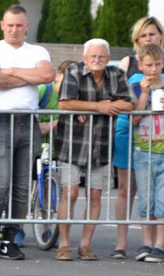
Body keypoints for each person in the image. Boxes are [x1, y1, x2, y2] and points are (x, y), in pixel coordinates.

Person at [0, 5, 55, 260]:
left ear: (27, 26)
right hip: (0, 121)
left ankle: (10, 238)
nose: (14, 29)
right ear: (2, 24)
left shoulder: (38, 50)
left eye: (19, 25)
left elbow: (47, 74)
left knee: (22, 186)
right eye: (10, 25)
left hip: (28, 121)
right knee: (0, 185)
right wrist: (29, 77)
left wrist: (9, 72)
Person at [53, 39, 133, 262]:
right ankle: (64, 244)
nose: (97, 60)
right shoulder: (73, 71)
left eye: (101, 56)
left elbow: (130, 103)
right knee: (70, 192)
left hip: (101, 143)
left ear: (108, 58)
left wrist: (92, 105)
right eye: (93, 56)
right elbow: (64, 103)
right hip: (72, 142)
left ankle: (85, 245)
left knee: (95, 194)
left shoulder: (116, 74)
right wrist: (99, 106)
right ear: (85, 57)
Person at [113, 17, 164, 258]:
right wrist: (143, 94)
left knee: (163, 193)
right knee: (130, 190)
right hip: (134, 136)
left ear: (161, 35)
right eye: (143, 35)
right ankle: (125, 243)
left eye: (152, 34)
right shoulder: (128, 63)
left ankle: (161, 243)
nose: (148, 38)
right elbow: (122, 98)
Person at [128, 44, 164, 263]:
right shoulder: (135, 88)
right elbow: (134, 119)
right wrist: (145, 93)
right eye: (149, 65)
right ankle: (146, 243)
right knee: (146, 198)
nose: (153, 69)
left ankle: (160, 244)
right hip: (143, 150)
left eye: (157, 64)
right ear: (140, 65)